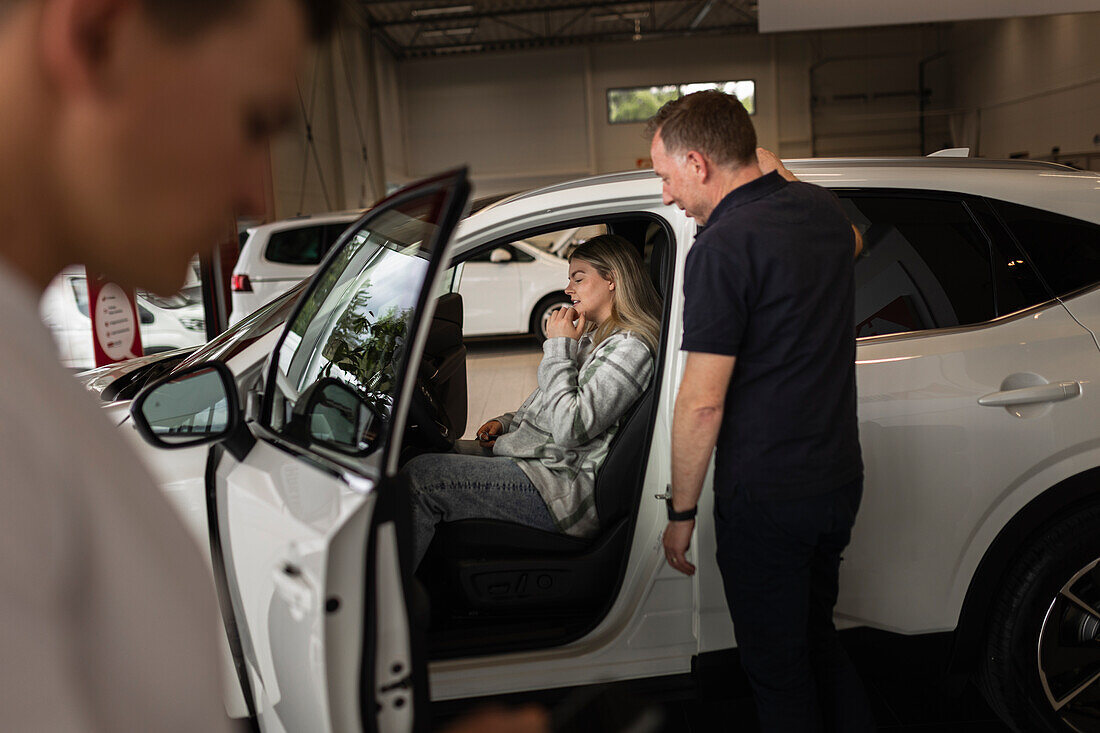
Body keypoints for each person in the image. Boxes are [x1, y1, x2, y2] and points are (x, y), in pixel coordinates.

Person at [651, 90, 876, 732]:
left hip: (769, 499)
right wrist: (783, 176)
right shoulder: (821, 211)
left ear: (698, 163)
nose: (667, 196)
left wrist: (681, 514)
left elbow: (701, 403)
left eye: (666, 177)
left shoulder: (720, 248)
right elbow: (855, 242)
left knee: (777, 674)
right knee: (817, 642)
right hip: (837, 483)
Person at [403, 234, 662, 566]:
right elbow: (554, 400)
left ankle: (386, 604)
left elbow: (571, 427)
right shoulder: (596, 337)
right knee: (423, 452)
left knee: (421, 478)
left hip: (559, 488)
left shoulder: (631, 348)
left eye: (578, 278)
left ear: (613, 279)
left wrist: (558, 348)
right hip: (539, 463)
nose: (568, 289)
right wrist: (509, 421)